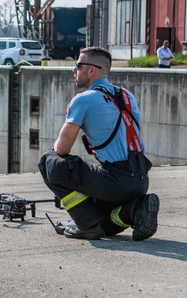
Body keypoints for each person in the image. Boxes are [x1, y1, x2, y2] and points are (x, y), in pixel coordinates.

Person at [37, 46, 159, 241]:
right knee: (104, 223)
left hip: (115, 180)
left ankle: (87, 224)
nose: (73, 70)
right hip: (140, 180)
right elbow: (139, 136)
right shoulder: (127, 96)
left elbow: (62, 149)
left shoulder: (84, 100)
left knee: (49, 161)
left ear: (91, 70)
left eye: (77, 65)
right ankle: (135, 209)